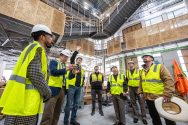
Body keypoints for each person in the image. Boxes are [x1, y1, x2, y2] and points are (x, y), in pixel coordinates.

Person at [0, 24, 55, 125]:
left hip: (23, 100)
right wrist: (47, 92)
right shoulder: (37, 48)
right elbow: (35, 74)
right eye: (50, 36)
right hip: (26, 102)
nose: (52, 39)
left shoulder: (33, 49)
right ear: (42, 37)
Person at [138, 54, 176, 125]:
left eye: (146, 56)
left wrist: (167, 94)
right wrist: (140, 92)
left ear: (152, 59)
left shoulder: (159, 67)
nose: (144, 58)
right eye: (143, 57)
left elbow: (168, 80)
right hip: (148, 98)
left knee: (168, 117)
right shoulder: (142, 71)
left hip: (161, 97)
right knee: (154, 117)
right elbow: (141, 83)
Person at [40, 49, 74, 125]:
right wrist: (66, 69)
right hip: (53, 90)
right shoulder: (54, 62)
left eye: (67, 57)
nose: (66, 59)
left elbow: (68, 78)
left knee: (57, 112)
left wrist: (74, 73)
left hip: (62, 90)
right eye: (65, 57)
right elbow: (53, 72)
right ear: (60, 56)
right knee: (48, 112)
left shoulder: (64, 66)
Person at [64, 55, 85, 125]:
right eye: (78, 59)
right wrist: (76, 51)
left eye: (80, 60)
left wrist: (81, 85)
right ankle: (66, 122)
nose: (79, 61)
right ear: (76, 61)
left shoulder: (82, 70)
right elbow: (72, 58)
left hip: (79, 88)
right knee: (69, 105)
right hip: (72, 87)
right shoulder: (73, 66)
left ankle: (73, 120)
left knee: (76, 104)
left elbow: (83, 78)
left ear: (81, 61)